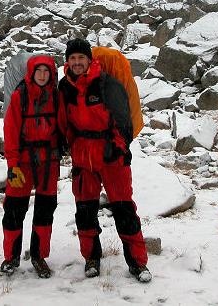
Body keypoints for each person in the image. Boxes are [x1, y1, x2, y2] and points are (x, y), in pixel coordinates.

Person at [58, 38, 151, 283]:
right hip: (82, 157)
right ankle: (91, 258)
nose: (77, 62)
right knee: (85, 211)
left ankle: (138, 263)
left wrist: (119, 148)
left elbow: (123, 121)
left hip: (111, 156)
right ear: (67, 62)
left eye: (81, 58)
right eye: (73, 58)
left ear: (90, 60)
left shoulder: (108, 84)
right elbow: (61, 122)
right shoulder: (64, 87)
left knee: (124, 209)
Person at [1, 55, 60, 278]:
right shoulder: (20, 96)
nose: (43, 75)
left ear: (51, 74)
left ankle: (39, 256)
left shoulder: (56, 96)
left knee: (45, 212)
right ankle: (11, 257)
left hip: (49, 163)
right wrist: (12, 164)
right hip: (23, 164)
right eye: (39, 71)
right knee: (14, 210)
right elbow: (11, 131)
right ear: (31, 73)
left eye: (46, 71)